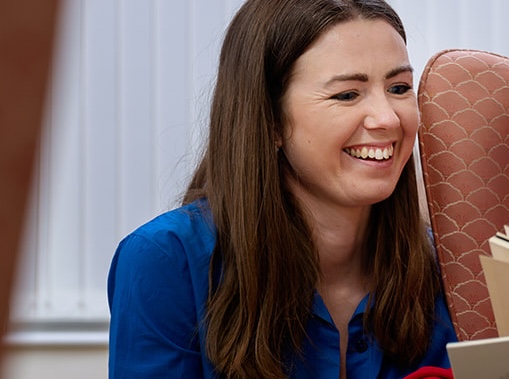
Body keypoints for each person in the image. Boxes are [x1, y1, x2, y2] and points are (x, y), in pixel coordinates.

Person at [106, 0, 455, 378]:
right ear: (270, 120)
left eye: (399, 87)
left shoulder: (450, 267)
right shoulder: (163, 261)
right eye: (347, 94)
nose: (388, 118)